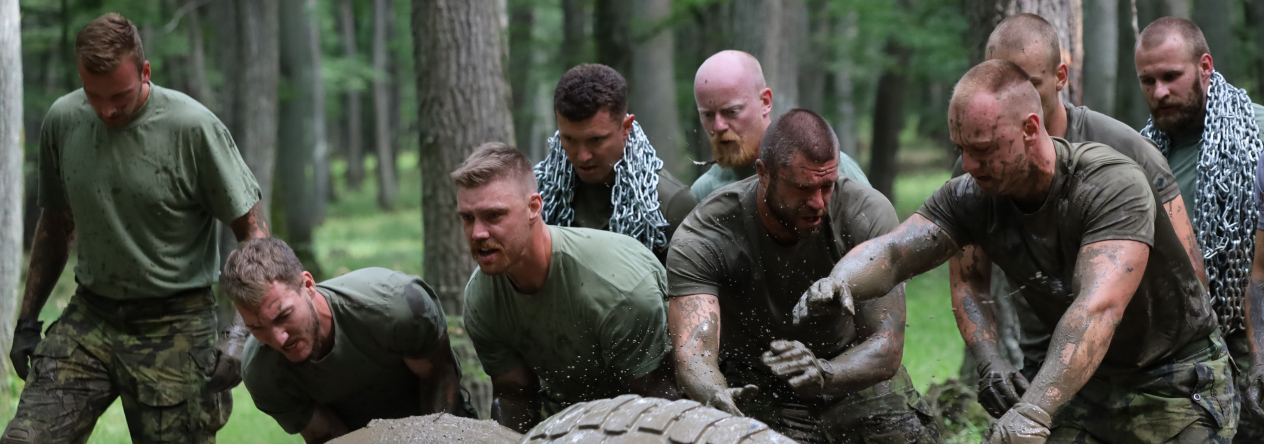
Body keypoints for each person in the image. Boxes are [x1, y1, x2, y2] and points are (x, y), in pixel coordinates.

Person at [795, 59, 1237, 443]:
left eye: (983, 149)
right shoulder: (973, 194)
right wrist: (840, 280)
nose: (969, 165)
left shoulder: (1109, 184)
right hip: (1087, 386)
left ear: (1029, 129)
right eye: (961, 150)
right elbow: (894, 253)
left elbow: (1097, 309)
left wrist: (1032, 411)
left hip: (1175, 380)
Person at [2, 13, 267, 444]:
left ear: (145, 72)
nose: (106, 110)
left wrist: (239, 334)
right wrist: (27, 320)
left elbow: (254, 234)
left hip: (176, 321)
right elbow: (56, 225)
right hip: (92, 316)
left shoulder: (193, 128)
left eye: (120, 97)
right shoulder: (63, 121)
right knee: (26, 439)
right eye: (94, 96)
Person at [950, 13, 1205, 420]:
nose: (1011, 93)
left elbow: (1190, 271)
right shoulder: (977, 169)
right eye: (998, 78)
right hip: (1047, 367)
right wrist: (989, 360)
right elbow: (967, 277)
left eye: (1029, 82)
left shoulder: (1126, 151)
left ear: (1060, 76)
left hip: (1150, 367)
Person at [667, 109, 941, 443]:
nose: (818, 203)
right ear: (763, 174)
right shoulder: (707, 232)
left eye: (827, 185)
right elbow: (693, 354)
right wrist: (716, 395)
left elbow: (885, 346)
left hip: (846, 369)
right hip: (751, 380)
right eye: (802, 188)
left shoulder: (864, 212)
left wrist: (825, 375)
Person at [456, 142, 679, 433]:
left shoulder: (618, 289)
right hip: (566, 424)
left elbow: (658, 408)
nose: (477, 233)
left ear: (533, 208)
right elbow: (514, 397)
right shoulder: (481, 299)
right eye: (467, 218)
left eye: (494, 216)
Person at [1135, 18, 1264, 443]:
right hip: (1176, 360)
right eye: (1148, 81)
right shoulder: (1135, 158)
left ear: (1205, 67)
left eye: (1172, 76)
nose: (1160, 92)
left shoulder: (1258, 136)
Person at [223, 238, 469, 444]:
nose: (278, 338)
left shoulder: (393, 307)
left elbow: (440, 377)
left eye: (284, 315)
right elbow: (327, 435)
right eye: (256, 327)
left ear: (308, 285)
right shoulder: (261, 372)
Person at [534, 64, 696, 263]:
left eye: (596, 140)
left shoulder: (671, 204)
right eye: (569, 140)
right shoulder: (536, 195)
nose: (582, 156)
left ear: (626, 128)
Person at [690, 50, 869, 201]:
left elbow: (882, 239)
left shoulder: (825, 168)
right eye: (707, 115)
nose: (719, 126)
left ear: (765, 102)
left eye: (732, 112)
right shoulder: (703, 194)